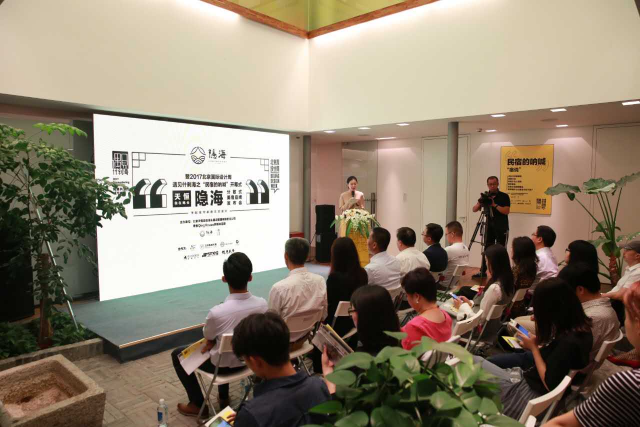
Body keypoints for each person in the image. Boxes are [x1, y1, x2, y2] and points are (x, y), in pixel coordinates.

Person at [477, 278, 592, 420]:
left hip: (525, 398)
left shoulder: (568, 342)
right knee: (477, 362)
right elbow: (558, 362)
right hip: (537, 394)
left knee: (469, 365)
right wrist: (539, 346)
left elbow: (550, 383)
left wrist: (534, 349)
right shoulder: (582, 330)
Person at [172, 253, 268, 416]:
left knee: (177, 355)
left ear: (224, 279)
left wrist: (211, 340)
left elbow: (208, 337)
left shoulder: (217, 313)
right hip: (250, 363)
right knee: (223, 345)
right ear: (250, 277)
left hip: (221, 368)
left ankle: (197, 404)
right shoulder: (262, 305)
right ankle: (223, 398)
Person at [544, 282, 640, 427]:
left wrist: (534, 348)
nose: (625, 323)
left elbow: (560, 423)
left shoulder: (628, 384)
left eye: (627, 316)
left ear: (637, 324)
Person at [505, 263, 619, 373]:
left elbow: (565, 348)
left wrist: (535, 348)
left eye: (565, 291)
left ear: (580, 290)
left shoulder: (592, 318)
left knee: (516, 326)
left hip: (562, 366)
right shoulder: (601, 307)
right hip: (563, 358)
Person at [231, 312, 330, 427]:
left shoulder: (252, 415)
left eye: (244, 360)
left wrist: (246, 419)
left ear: (255, 361)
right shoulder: (319, 386)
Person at [268, 238, 328, 345]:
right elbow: (323, 315)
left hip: (282, 345)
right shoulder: (320, 281)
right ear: (307, 256)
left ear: (286, 256)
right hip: (306, 339)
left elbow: (270, 325)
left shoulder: (279, 288)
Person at [455, 244, 514, 325]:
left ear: (493, 263)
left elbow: (480, 320)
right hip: (492, 326)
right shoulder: (508, 281)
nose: (486, 264)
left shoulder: (494, 289)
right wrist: (469, 303)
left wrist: (462, 306)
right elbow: (485, 309)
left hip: (478, 328)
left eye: (486, 261)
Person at [325, 237, 368, 337]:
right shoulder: (362, 273)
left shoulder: (334, 278)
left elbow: (329, 304)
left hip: (336, 327)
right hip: (355, 322)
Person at [400, 268, 452, 350]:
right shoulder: (446, 316)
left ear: (416, 297)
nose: (407, 298)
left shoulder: (415, 326)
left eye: (407, 295)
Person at [472, 176, 510, 277]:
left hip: (501, 227)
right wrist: (480, 202)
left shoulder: (504, 196)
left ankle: (501, 273)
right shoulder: (485, 196)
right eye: (490, 184)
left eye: (494, 184)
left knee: (501, 250)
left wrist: (494, 205)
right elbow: (474, 209)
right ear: (487, 185)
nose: (492, 186)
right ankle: (483, 271)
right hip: (488, 227)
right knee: (486, 249)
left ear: (498, 184)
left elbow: (506, 211)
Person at [349, 285, 401, 354]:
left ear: (364, 317)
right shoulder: (398, 344)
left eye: (352, 311)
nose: (351, 315)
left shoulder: (362, 357)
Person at [364, 227, 403, 292]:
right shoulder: (396, 261)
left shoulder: (370, 269)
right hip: (395, 298)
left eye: (368, 237)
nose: (367, 240)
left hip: (377, 298)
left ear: (374, 245)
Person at [509, 236, 538, 318]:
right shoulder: (532, 268)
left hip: (509, 310)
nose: (511, 249)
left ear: (518, 251)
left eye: (512, 247)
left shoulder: (517, 272)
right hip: (520, 306)